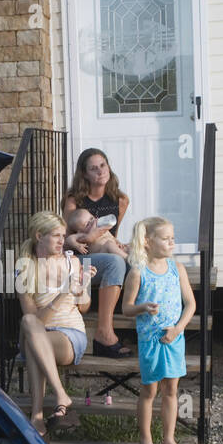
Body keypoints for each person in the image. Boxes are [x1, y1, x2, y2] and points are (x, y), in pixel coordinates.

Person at [122, 216, 196, 444]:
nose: (171, 243)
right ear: (147, 242)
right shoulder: (137, 273)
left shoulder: (178, 269)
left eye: (173, 238)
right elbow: (126, 309)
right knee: (149, 390)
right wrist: (143, 307)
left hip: (174, 338)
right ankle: (145, 440)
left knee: (172, 389)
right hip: (150, 340)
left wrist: (177, 329)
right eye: (166, 239)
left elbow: (190, 304)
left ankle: (169, 440)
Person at [15, 211, 95, 437]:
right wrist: (62, 293)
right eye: (56, 236)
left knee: (33, 343)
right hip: (39, 331)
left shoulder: (73, 262)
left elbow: (84, 306)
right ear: (39, 235)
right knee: (30, 324)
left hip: (69, 335)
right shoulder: (24, 270)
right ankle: (60, 394)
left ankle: (37, 416)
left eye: (64, 235)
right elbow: (36, 322)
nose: (62, 241)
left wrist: (83, 285)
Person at [62, 147, 131, 358]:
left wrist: (121, 245)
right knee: (116, 263)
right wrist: (82, 239)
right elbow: (62, 243)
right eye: (93, 168)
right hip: (80, 257)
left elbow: (113, 235)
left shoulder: (120, 200)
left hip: (104, 250)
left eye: (103, 165)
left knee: (131, 255)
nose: (100, 171)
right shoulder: (74, 201)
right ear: (84, 175)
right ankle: (104, 333)